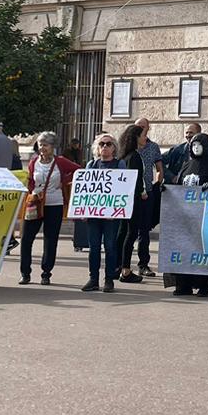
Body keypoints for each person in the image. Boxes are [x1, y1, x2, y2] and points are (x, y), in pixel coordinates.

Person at [20, 131, 77, 286]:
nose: (42, 148)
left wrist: (64, 181)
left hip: (55, 203)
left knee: (50, 239)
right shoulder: (33, 162)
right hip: (35, 203)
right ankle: (25, 273)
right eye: (40, 144)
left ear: (53, 147)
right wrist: (32, 193)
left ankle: (46, 273)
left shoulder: (61, 161)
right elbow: (31, 179)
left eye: (45, 145)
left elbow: (78, 170)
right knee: (26, 238)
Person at [80, 134, 131, 293]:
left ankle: (109, 279)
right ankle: (93, 278)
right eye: (102, 144)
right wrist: (84, 210)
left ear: (114, 147)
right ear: (97, 147)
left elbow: (124, 188)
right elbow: (86, 189)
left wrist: (115, 210)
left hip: (111, 215)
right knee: (94, 247)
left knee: (110, 246)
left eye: (108, 144)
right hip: (94, 214)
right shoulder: (91, 165)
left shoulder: (119, 164)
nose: (105, 147)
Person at [172, 132, 208, 297]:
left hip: (204, 216)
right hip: (185, 216)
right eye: (193, 144)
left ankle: (203, 285)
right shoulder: (186, 165)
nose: (196, 147)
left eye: (199, 144)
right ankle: (183, 284)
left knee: (202, 250)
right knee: (184, 249)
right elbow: (178, 186)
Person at [115, 123, 155, 284]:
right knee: (130, 234)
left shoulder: (125, 156)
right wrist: (143, 192)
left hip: (126, 200)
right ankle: (125, 269)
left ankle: (118, 266)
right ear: (136, 138)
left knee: (123, 233)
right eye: (143, 135)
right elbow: (136, 179)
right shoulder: (135, 157)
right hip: (134, 201)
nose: (145, 138)